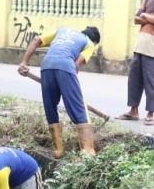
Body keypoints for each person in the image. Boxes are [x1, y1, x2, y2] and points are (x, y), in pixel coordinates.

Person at [17, 26, 101, 158]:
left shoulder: (61, 31)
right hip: (66, 66)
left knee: (50, 105)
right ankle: (88, 150)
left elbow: (36, 40)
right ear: (95, 41)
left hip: (46, 66)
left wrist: (24, 62)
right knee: (78, 105)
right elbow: (76, 65)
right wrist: (68, 84)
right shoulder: (89, 43)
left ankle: (58, 150)